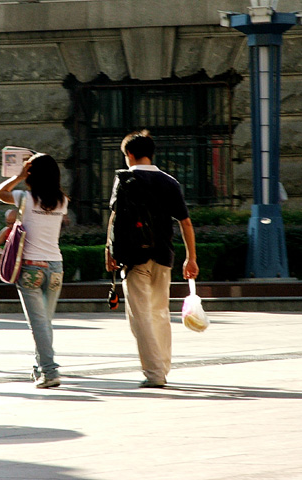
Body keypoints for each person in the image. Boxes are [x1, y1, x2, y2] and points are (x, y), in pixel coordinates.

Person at [105, 130, 199, 389]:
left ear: (130, 154)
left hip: (134, 257)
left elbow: (115, 219)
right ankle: (163, 367)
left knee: (140, 317)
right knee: (159, 313)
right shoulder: (169, 181)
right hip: (163, 256)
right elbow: (185, 222)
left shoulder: (124, 179)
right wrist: (191, 258)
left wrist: (110, 252)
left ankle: (154, 373)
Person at [0, 153, 68, 388]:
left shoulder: (25, 198)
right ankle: (40, 367)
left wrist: (18, 175)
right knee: (45, 322)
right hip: (55, 267)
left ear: (32, 175)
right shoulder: (62, 201)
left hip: (30, 268)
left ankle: (50, 371)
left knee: (38, 323)